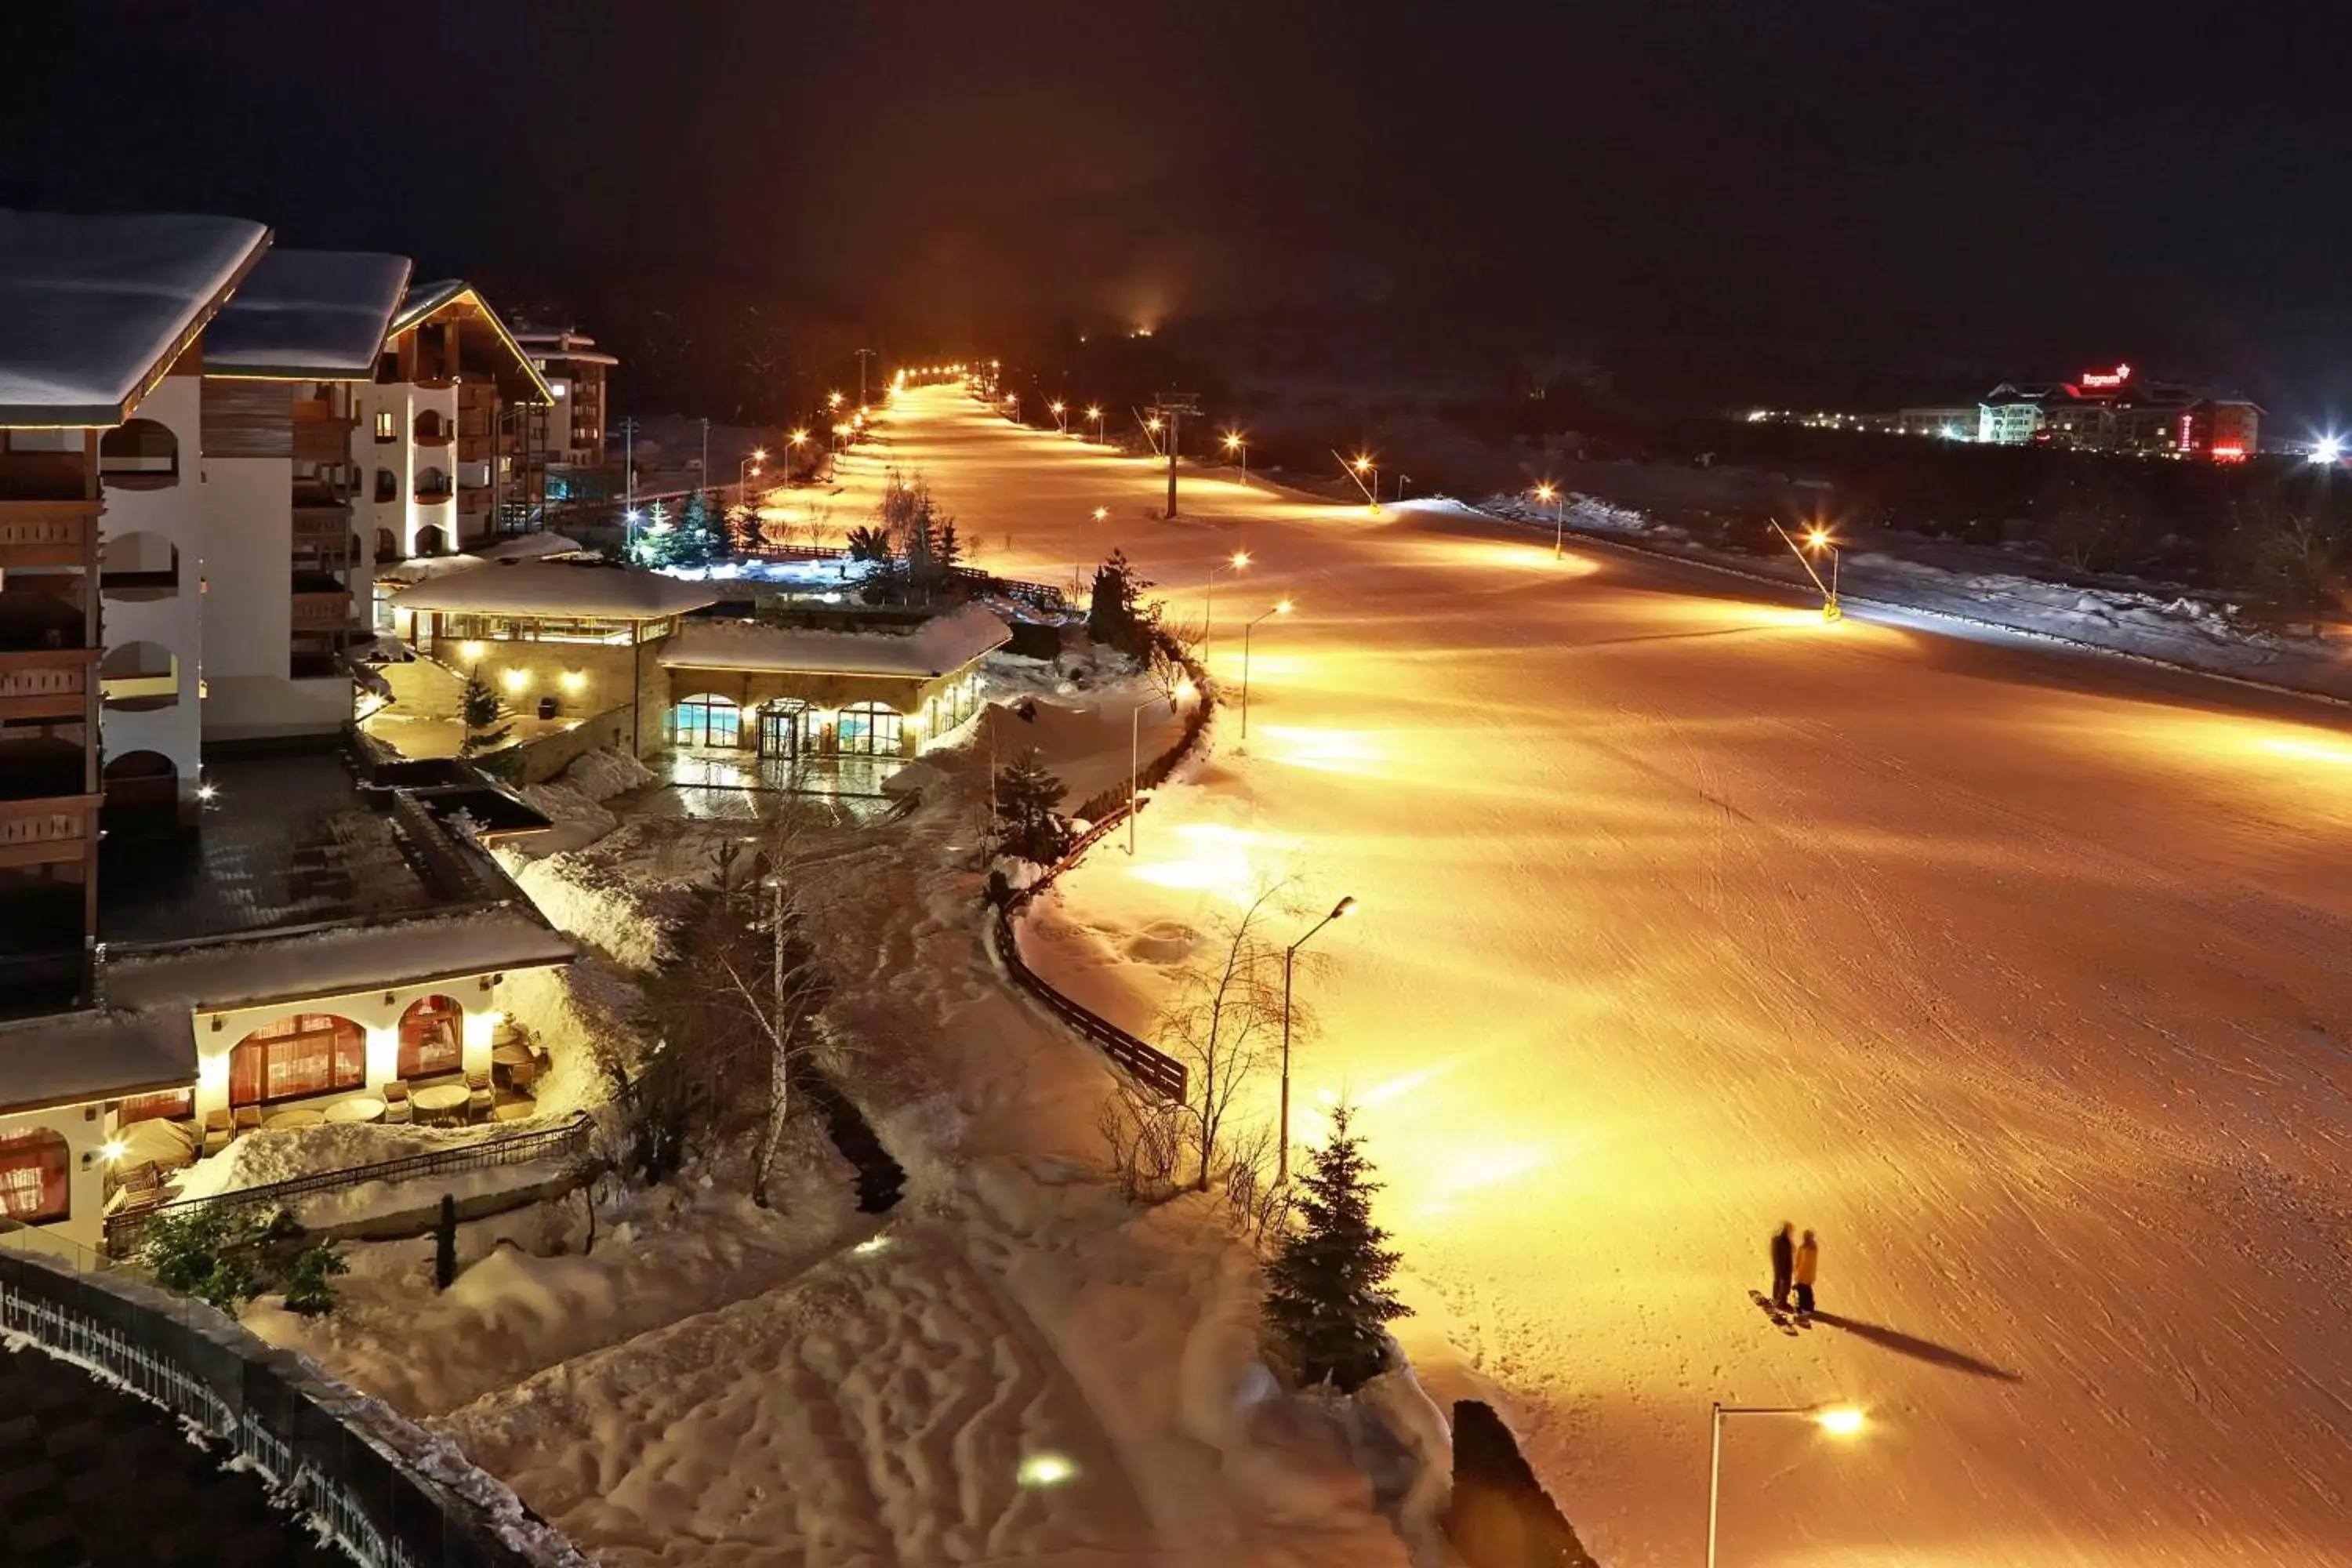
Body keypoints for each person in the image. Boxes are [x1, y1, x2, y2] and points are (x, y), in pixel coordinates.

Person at [1793, 1229, 1820, 1317]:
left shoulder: (1809, 1249)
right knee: (1806, 1290)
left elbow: (1804, 1264)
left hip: (1804, 1275)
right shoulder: (1808, 1247)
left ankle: (1805, 1308)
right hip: (1805, 1275)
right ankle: (1808, 1307)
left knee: (1803, 1292)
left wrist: (1798, 1276)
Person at [1769, 1222, 1795, 1310]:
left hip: (1784, 1265)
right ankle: (1779, 1302)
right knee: (1782, 1282)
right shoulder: (1779, 1240)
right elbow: (1776, 1254)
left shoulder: (1784, 1241)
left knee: (1783, 1282)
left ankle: (1780, 1301)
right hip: (1781, 1265)